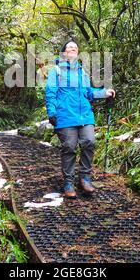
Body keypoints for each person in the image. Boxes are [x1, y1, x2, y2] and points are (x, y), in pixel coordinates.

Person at [45, 40, 116, 199]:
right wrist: (52, 112)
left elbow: (88, 92)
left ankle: (85, 178)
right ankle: (68, 182)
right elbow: (50, 92)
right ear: (64, 53)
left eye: (75, 48)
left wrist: (104, 93)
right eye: (70, 47)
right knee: (69, 147)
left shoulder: (82, 72)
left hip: (85, 115)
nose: (73, 49)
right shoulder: (56, 71)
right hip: (65, 116)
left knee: (89, 142)